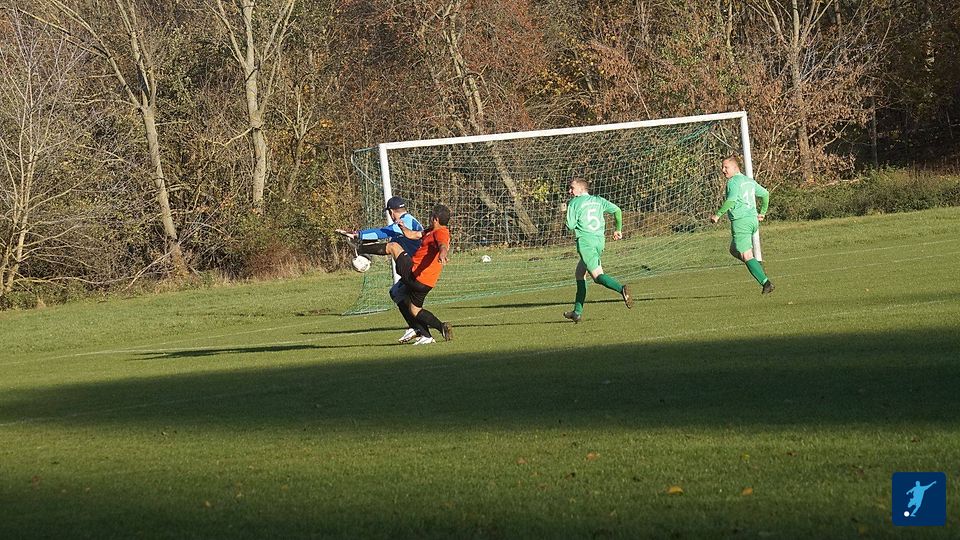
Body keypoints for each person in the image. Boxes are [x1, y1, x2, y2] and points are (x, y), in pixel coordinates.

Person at [335, 196, 427, 342]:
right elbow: (385, 239)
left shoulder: (405, 221)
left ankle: (424, 332)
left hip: (418, 269)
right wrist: (361, 240)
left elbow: (383, 232)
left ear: (391, 212)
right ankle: (417, 328)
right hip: (416, 267)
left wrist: (358, 235)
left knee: (406, 299)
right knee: (397, 293)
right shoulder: (406, 222)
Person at [562, 178, 632, 323]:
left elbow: (570, 226)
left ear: (581, 189)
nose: (570, 191)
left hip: (586, 242)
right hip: (599, 241)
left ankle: (621, 289)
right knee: (580, 273)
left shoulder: (574, 203)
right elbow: (617, 210)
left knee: (597, 276)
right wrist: (618, 229)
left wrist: (566, 212)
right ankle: (577, 312)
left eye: (572, 188)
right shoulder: (598, 200)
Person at [383, 204, 454, 345]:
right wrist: (403, 227)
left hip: (419, 276)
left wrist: (443, 254)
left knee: (393, 248)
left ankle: (420, 331)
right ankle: (440, 328)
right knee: (412, 307)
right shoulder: (430, 231)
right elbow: (413, 234)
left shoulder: (440, 232)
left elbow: (443, 245)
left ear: (435, 219)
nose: (429, 218)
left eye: (431, 216)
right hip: (424, 279)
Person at [709, 157, 775, 294]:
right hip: (752, 221)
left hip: (741, 221)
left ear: (735, 168)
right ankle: (755, 265)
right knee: (734, 250)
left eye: (726, 167)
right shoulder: (748, 181)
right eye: (722, 167)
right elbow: (765, 194)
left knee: (746, 255)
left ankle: (766, 283)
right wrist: (762, 213)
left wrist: (717, 215)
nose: (723, 170)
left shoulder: (733, 182)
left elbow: (731, 200)